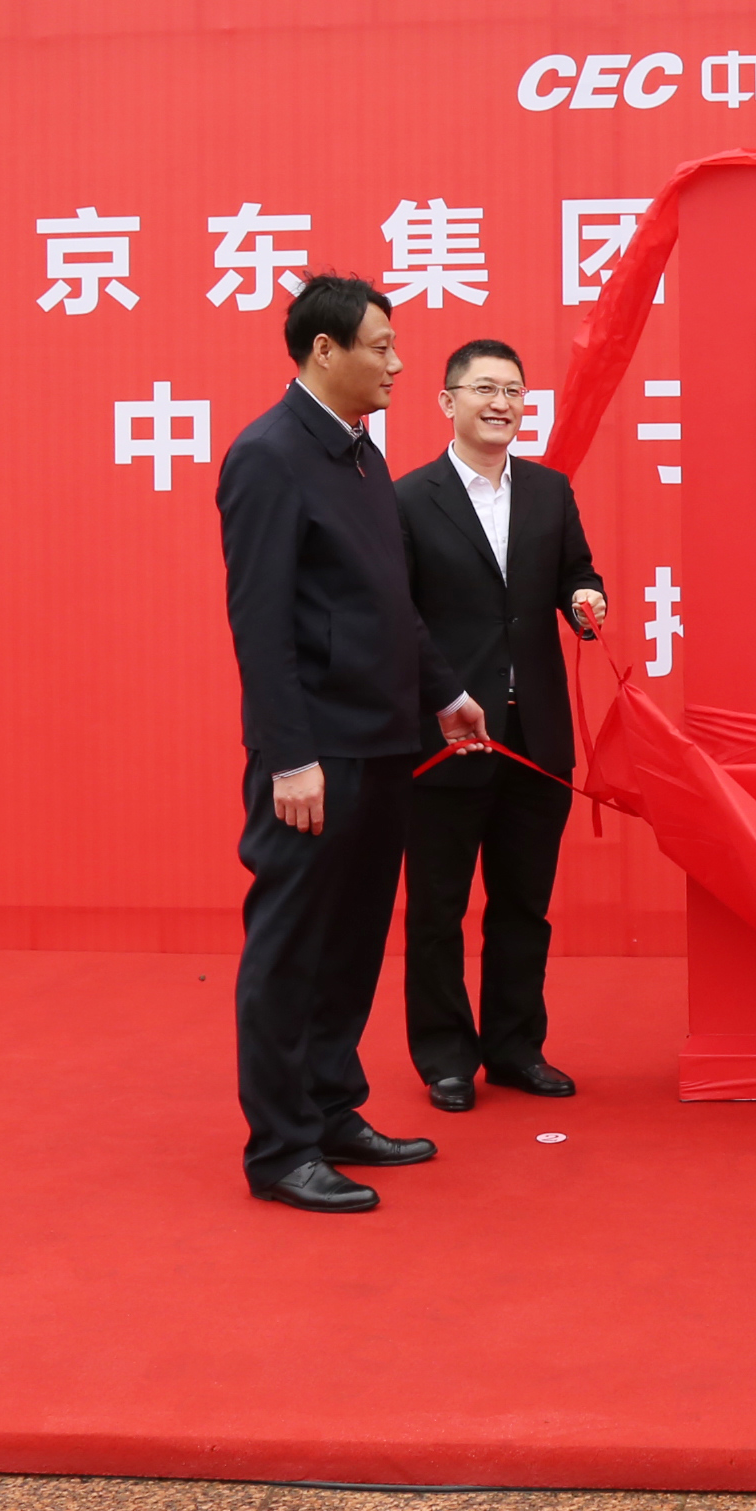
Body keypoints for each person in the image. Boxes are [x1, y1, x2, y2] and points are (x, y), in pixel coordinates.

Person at [218, 276, 486, 1215]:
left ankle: (332, 1110)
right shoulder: (268, 456)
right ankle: (280, 1148)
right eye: (381, 346)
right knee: (293, 946)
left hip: (384, 743)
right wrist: (289, 758)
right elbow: (259, 627)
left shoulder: (363, 455)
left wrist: (444, 693)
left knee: (355, 941)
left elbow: (388, 603)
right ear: (324, 350)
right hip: (315, 757)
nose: (398, 364)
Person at [396, 338, 605, 1113]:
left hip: (535, 736)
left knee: (524, 905)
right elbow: (398, 617)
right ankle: (446, 1057)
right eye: (484, 388)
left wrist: (585, 599)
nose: (502, 403)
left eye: (514, 391)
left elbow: (576, 573)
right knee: (438, 911)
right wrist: (442, 696)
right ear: (447, 401)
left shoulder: (550, 492)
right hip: (447, 738)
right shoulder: (408, 499)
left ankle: (516, 1048)